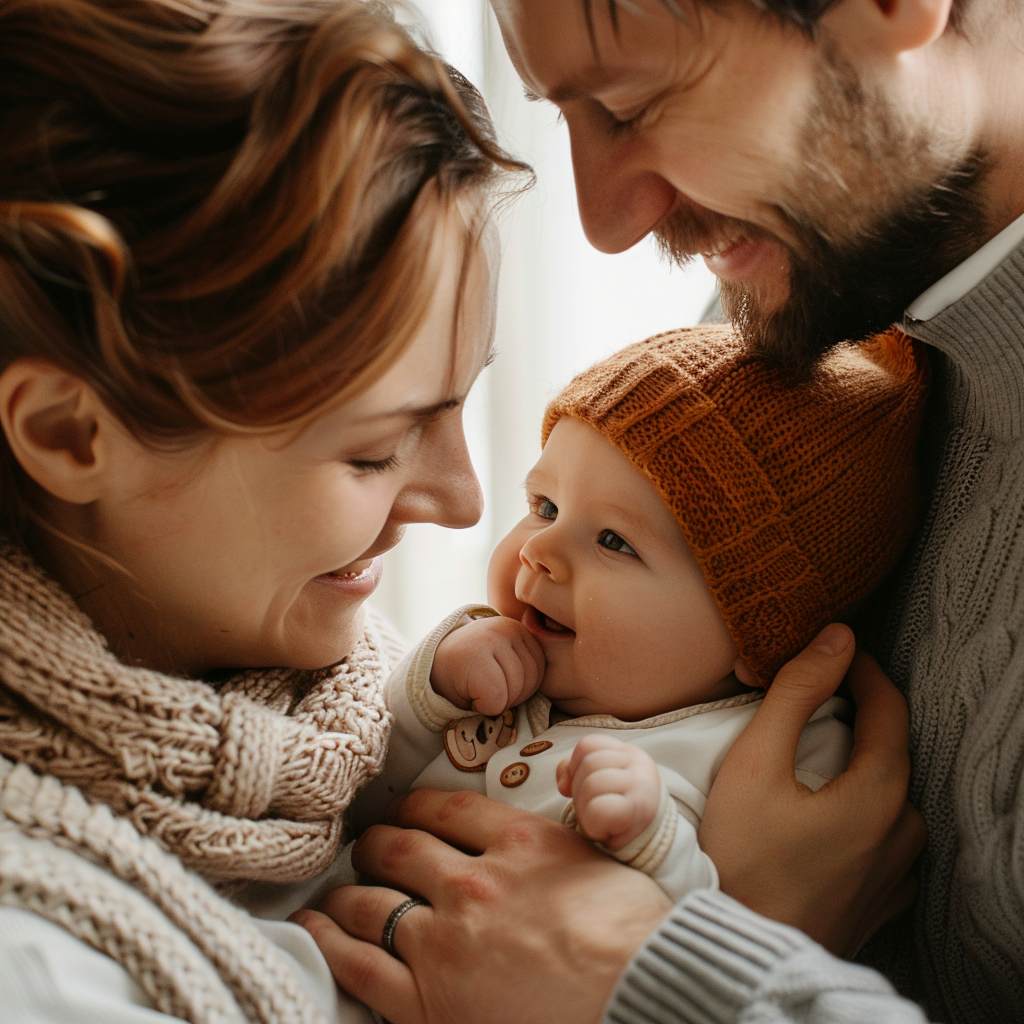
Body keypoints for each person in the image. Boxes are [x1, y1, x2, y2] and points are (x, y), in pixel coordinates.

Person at [297, 0, 1024, 1022]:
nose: (606, 221)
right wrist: (768, 919)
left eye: (636, 103)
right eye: (566, 117)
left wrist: (679, 965)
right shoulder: (790, 301)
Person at [0, 0, 529, 1021]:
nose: (464, 502)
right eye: (374, 450)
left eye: (458, 404)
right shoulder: (36, 968)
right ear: (70, 434)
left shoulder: (377, 731)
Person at [353, 325, 926, 907]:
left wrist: (652, 841)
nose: (538, 551)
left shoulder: (774, 759)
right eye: (545, 507)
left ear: (757, 638)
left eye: (614, 541)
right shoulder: (491, 665)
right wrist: (431, 692)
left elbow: (736, 929)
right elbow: (357, 797)